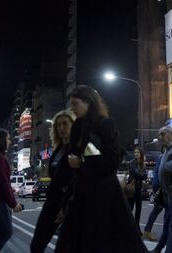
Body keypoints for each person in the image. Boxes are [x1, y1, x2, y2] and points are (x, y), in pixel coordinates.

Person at [55, 85, 146, 252]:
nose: (72, 108)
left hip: (104, 194)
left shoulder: (106, 124)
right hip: (82, 194)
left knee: (106, 242)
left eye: (75, 104)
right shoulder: (77, 127)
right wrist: (65, 202)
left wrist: (81, 164)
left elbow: (112, 161)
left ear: (88, 102)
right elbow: (74, 164)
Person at [30, 110, 76, 253]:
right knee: (36, 245)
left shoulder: (80, 147)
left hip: (69, 205)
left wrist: (67, 206)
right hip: (51, 203)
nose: (61, 128)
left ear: (73, 125)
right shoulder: (58, 149)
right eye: (58, 125)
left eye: (65, 124)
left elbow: (82, 178)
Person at [142, 145, 166, 241]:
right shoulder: (163, 158)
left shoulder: (162, 157)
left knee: (159, 210)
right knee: (161, 209)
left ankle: (147, 230)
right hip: (161, 187)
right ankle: (148, 231)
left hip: (160, 186)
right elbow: (161, 174)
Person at [128, 147, 147, 233]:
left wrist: (141, 175)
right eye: (135, 152)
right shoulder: (132, 162)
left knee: (139, 209)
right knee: (130, 208)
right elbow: (135, 173)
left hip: (139, 189)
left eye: (138, 152)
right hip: (132, 188)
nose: (136, 154)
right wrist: (141, 175)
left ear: (141, 154)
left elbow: (145, 176)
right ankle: (128, 227)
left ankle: (137, 227)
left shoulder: (143, 163)